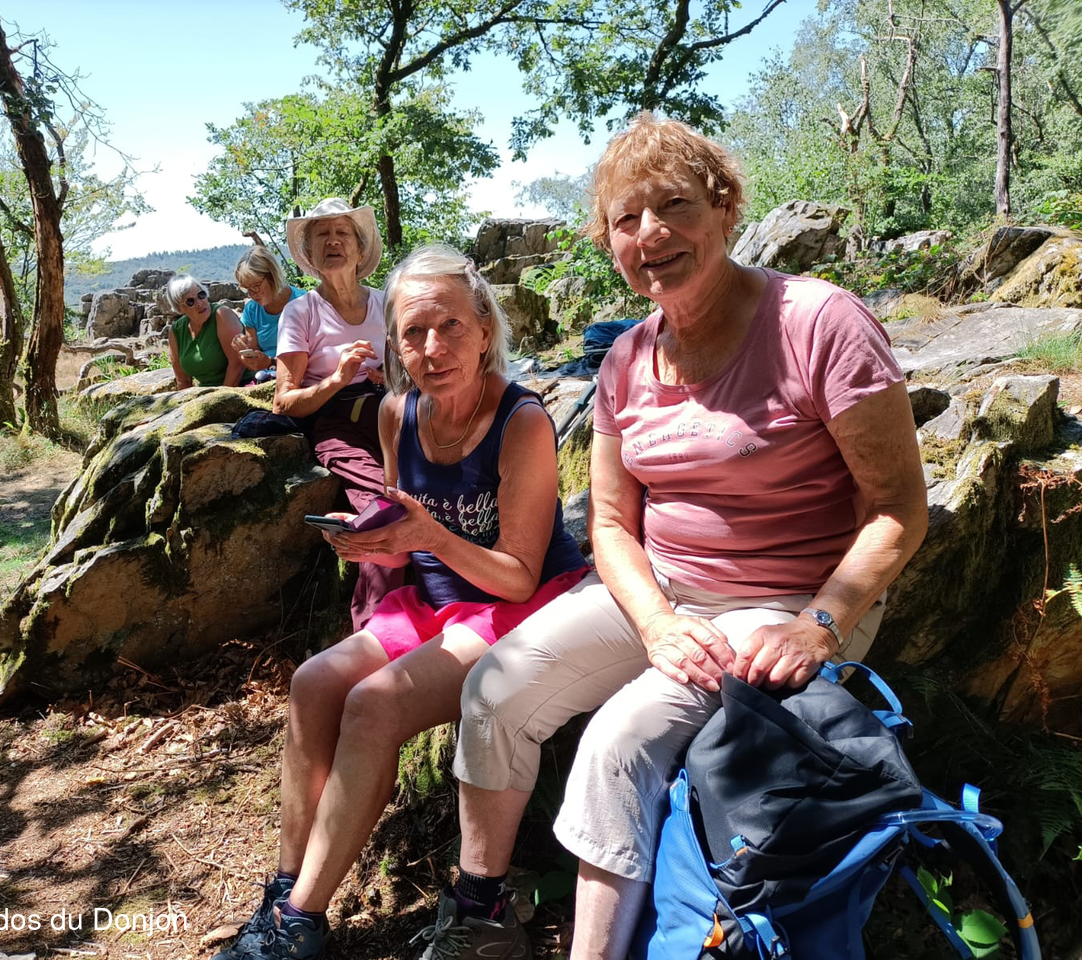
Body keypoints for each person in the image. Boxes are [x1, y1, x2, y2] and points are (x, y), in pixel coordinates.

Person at [413, 114, 929, 960]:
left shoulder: (818, 322)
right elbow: (611, 523)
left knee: (617, 743)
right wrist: (655, 622)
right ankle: (482, 912)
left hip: (789, 600)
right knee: (494, 694)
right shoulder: (624, 360)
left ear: (725, 207)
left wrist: (819, 624)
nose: (649, 234)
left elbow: (898, 508)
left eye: (673, 206)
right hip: (660, 592)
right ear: (609, 242)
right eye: (626, 219)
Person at [216, 244, 589, 960]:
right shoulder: (397, 413)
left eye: (450, 326)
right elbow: (403, 539)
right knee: (313, 682)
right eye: (413, 333)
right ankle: (285, 884)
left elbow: (517, 576)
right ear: (394, 343)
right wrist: (367, 543)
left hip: (520, 603)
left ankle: (298, 921)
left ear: (484, 328)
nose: (432, 347)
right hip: (436, 602)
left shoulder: (522, 420)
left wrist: (428, 536)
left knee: (373, 704)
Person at [270, 197, 400, 630]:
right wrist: (338, 379)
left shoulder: (387, 303)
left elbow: (413, 369)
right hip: (337, 423)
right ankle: (376, 629)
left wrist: (390, 377)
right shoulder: (301, 311)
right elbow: (283, 401)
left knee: (431, 489)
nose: (333, 241)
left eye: (342, 232)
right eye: (321, 235)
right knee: (383, 506)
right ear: (309, 252)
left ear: (360, 248)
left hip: (394, 412)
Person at [232, 246, 305, 380]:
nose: (252, 294)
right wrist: (243, 351)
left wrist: (271, 362)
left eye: (256, 286)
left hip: (302, 375)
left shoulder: (303, 302)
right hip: (266, 377)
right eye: (246, 289)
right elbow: (253, 362)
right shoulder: (252, 310)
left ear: (272, 276)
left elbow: (316, 356)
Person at [166, 274, 247, 388]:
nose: (199, 303)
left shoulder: (222, 315)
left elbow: (237, 364)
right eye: (190, 301)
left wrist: (222, 396)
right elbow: (182, 380)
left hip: (240, 387)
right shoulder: (176, 331)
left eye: (201, 295)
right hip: (206, 393)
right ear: (180, 308)